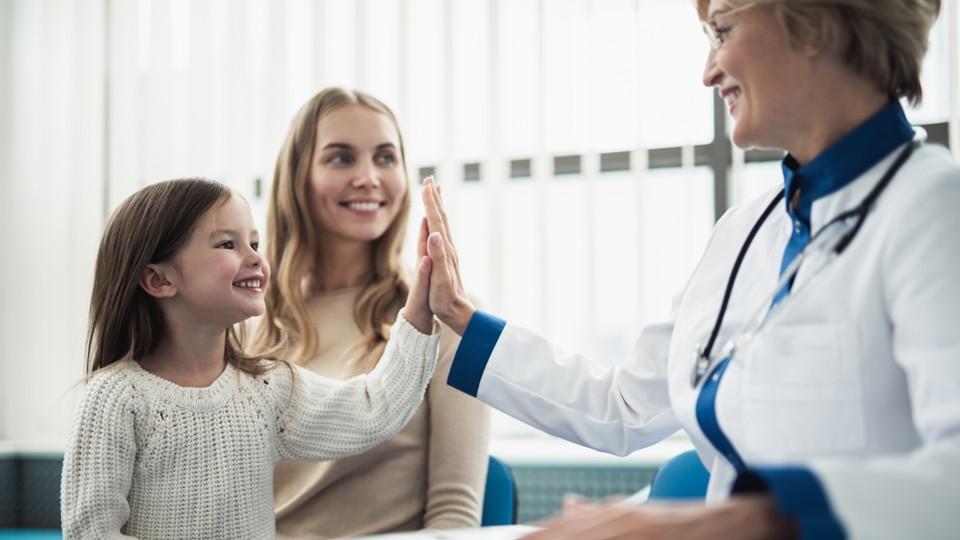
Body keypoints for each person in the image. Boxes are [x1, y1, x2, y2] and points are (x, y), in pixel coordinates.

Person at [418, 0, 960, 538]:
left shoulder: (934, 207)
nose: (708, 72)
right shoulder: (744, 232)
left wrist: (746, 519)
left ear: (815, 23)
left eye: (722, 31)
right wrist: (461, 317)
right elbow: (625, 407)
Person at [60, 178, 440, 539]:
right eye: (228, 245)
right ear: (159, 280)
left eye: (255, 244)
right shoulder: (116, 399)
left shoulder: (269, 390)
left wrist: (420, 312)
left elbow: (375, 407)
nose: (256, 259)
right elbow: (92, 533)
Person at [252, 87, 489, 539]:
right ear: (297, 177)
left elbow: (454, 517)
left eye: (385, 158)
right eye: (341, 158)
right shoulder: (246, 322)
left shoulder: (445, 318)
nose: (368, 177)